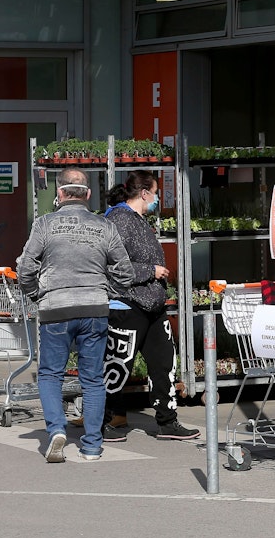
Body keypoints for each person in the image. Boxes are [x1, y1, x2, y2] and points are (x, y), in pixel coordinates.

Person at [17, 169, 134, 463]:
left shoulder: (44, 225)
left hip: (56, 308)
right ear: (88, 195)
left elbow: (26, 268)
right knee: (93, 379)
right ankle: (92, 445)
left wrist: (36, 294)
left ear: (59, 194)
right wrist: (106, 290)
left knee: (50, 374)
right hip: (94, 308)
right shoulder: (104, 226)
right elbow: (126, 273)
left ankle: (57, 429)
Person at [99, 171, 199, 442]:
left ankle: (167, 421)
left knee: (164, 362)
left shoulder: (138, 220)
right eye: (155, 193)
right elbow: (111, 266)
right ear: (144, 193)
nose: (156, 199)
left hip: (152, 306)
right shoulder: (119, 220)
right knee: (118, 365)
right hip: (126, 304)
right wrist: (150, 271)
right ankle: (102, 421)